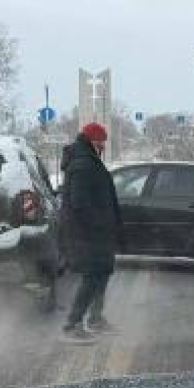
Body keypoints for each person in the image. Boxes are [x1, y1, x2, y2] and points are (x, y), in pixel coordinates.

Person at [59, 123, 123, 344]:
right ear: (92, 141)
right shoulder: (82, 165)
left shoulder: (90, 161)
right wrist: (100, 224)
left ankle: (95, 319)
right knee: (91, 277)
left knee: (102, 273)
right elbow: (80, 204)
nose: (104, 146)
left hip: (98, 232)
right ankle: (71, 324)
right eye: (101, 142)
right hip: (86, 234)